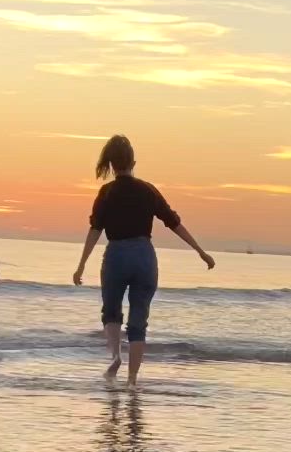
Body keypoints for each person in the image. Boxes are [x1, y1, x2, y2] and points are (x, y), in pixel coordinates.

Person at [72, 135, 214, 382]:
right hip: (144, 257)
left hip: (116, 255)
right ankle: (132, 380)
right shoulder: (148, 190)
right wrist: (200, 251)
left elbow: (95, 230)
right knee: (139, 320)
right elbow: (174, 223)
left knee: (112, 311)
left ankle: (116, 356)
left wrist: (81, 264)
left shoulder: (106, 192)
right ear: (133, 162)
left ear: (112, 165)